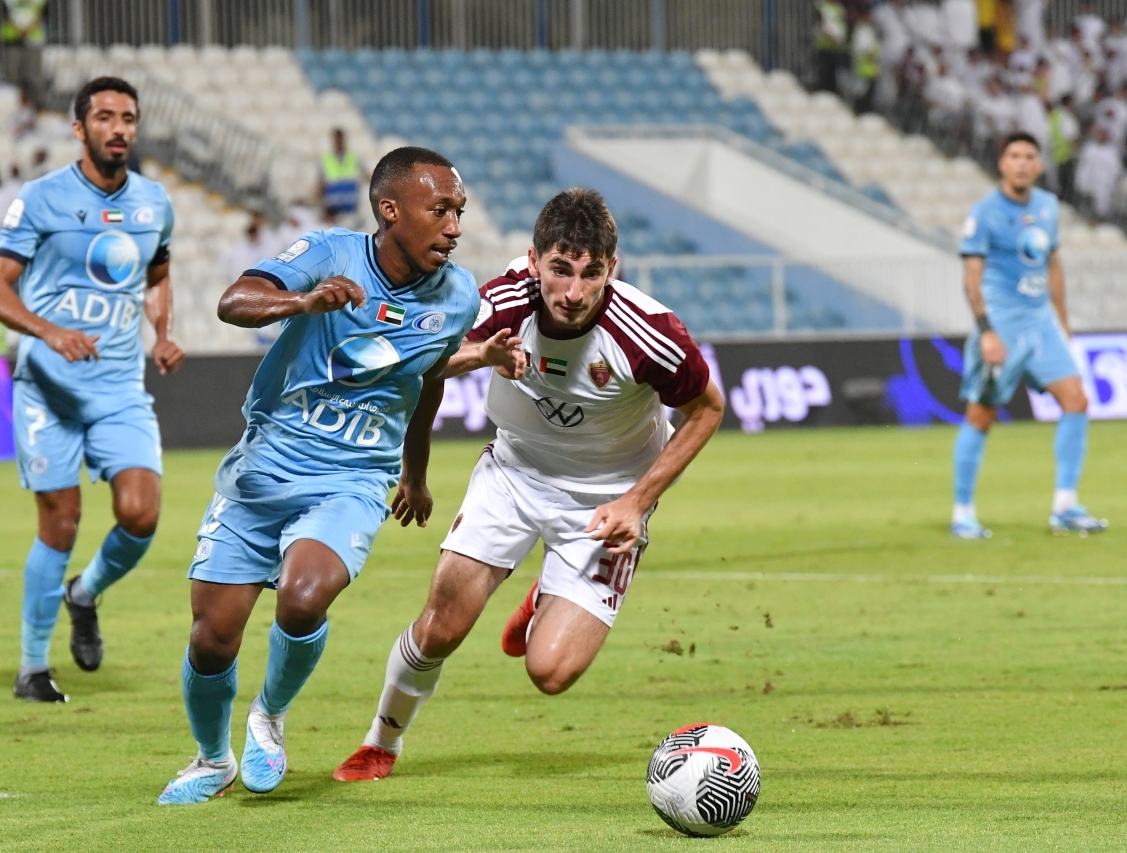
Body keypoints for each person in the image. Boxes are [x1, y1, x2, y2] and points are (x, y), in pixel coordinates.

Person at [333, 188, 724, 783]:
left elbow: (707, 409)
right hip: (514, 474)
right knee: (442, 625)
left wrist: (636, 503)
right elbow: (422, 366)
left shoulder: (650, 332)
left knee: (551, 672)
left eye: (591, 274)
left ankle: (547, 594)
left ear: (612, 268)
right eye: (560, 270)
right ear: (534, 260)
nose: (573, 292)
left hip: (606, 500)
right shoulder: (502, 301)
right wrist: (420, 462)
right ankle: (380, 743)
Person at [156, 146, 480, 805]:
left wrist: (415, 474)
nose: (453, 227)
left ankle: (269, 714)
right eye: (440, 210)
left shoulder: (458, 297)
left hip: (352, 477)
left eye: (459, 213)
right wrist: (302, 302)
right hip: (263, 469)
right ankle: (212, 759)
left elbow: (428, 384)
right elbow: (233, 301)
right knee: (211, 638)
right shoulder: (330, 253)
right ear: (390, 210)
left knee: (303, 596)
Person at [0, 77, 184, 703]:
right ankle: (32, 669)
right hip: (49, 388)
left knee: (141, 512)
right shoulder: (42, 198)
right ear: (79, 128)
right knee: (60, 521)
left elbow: (158, 275)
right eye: (104, 117)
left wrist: (163, 333)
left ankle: (85, 593)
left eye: (128, 118)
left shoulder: (154, 203)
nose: (118, 129)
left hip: (119, 387)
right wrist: (49, 331)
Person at [952, 131, 1106, 540]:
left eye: (1029, 156)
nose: (1022, 163)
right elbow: (971, 277)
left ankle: (1065, 506)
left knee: (1076, 401)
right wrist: (986, 333)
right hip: (1002, 325)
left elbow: (1053, 265)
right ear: (1001, 164)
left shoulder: (1047, 206)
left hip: (1041, 323)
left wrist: (1062, 321)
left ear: (1038, 165)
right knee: (980, 416)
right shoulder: (984, 213)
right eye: (1014, 156)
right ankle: (962, 513)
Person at [0, 0, 47, 106]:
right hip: (12, 40)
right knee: (12, 75)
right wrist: (19, 30)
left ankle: (35, 105)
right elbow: (5, 13)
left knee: (34, 77)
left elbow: (42, 13)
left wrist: (27, 29)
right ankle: (14, 103)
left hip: (33, 41)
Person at [320, 128, 362, 220]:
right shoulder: (326, 159)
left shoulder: (353, 157)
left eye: (340, 139)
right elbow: (320, 184)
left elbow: (367, 175)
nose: (339, 142)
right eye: (336, 140)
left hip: (350, 204)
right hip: (333, 206)